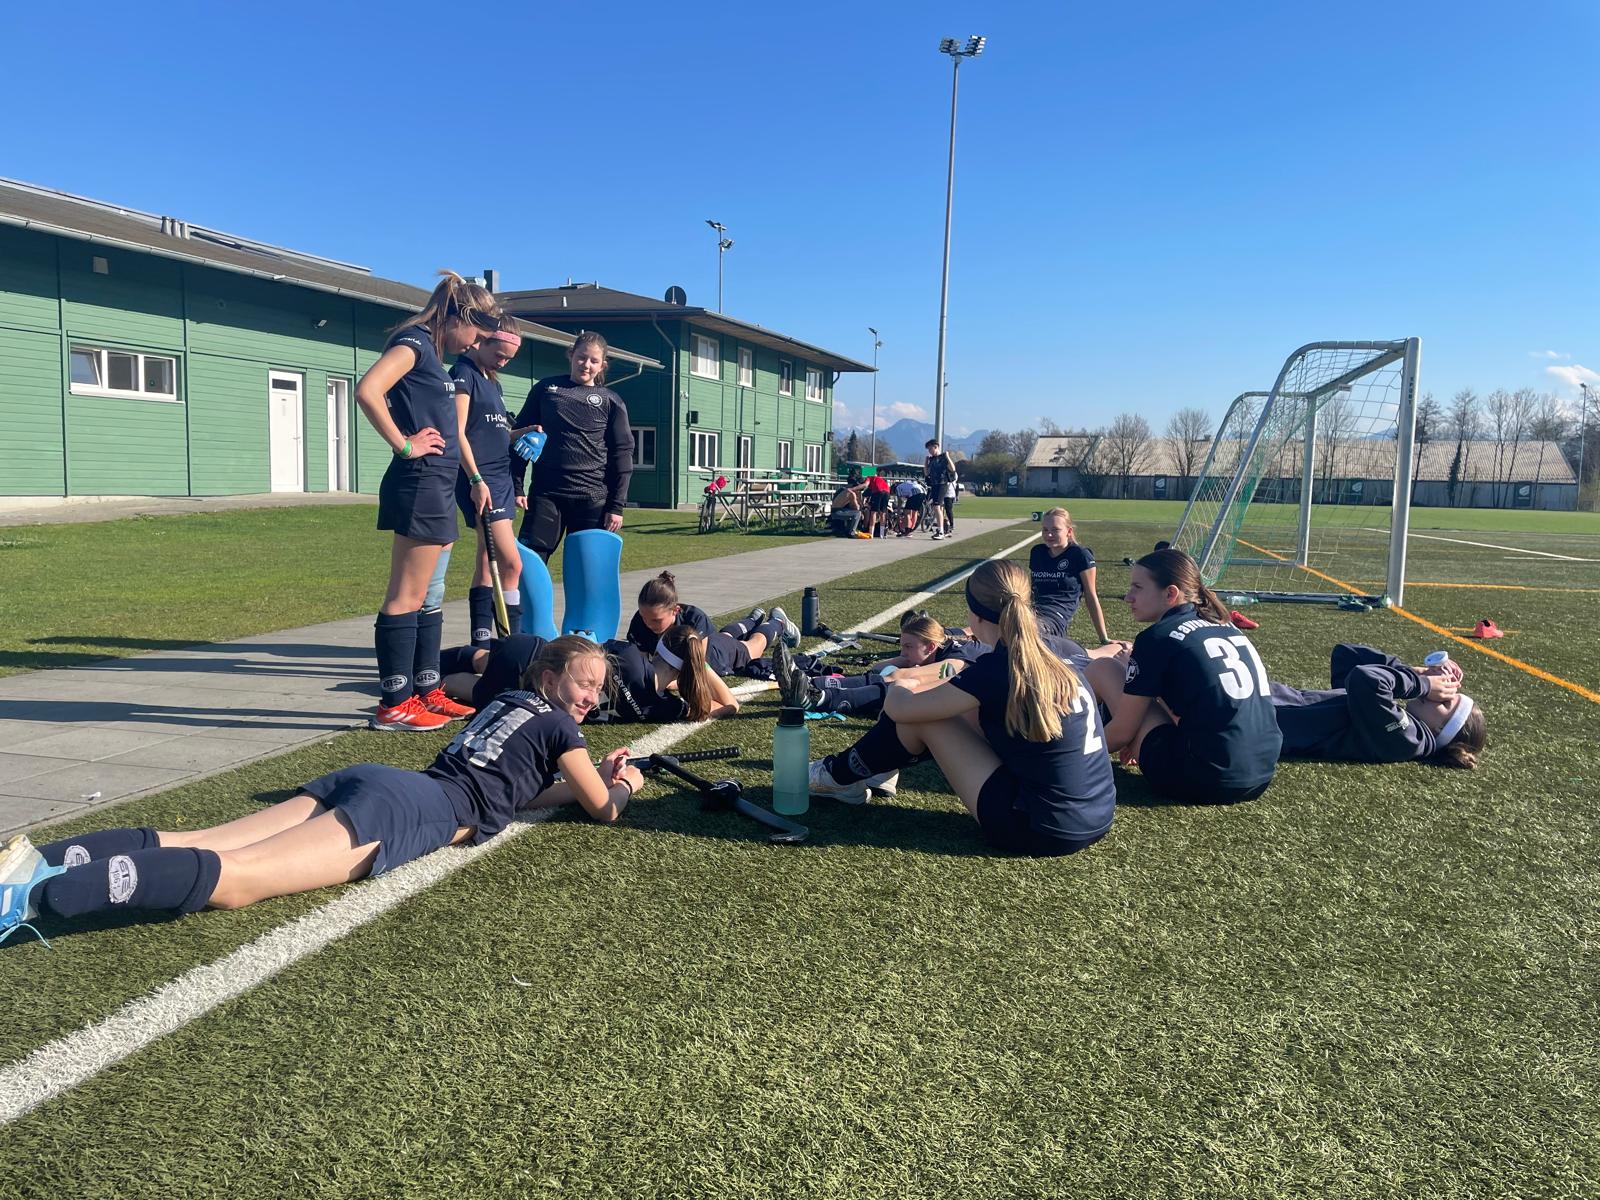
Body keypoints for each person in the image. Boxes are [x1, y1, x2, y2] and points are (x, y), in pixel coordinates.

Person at [0, 639, 644, 941]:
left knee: (204, 838)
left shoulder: (508, 702)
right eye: (585, 683)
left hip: (379, 779)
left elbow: (516, 794)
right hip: (415, 808)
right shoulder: (562, 726)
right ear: (552, 678)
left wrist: (583, 779)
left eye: (597, 688)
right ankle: (36, 900)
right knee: (241, 878)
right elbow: (604, 810)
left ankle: (38, 861)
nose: (592, 697)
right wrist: (625, 784)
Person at [807, 559, 1117, 857]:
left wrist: (903, 681)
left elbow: (902, 710)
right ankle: (874, 772)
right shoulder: (1058, 650)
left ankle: (836, 775)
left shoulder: (999, 667)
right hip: (1097, 815)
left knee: (924, 716)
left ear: (976, 615)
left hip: (1039, 829)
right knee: (955, 708)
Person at [356, 272, 503, 732]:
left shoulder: (434, 354)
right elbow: (367, 390)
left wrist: (471, 477)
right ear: (457, 317)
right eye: (476, 334)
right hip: (419, 485)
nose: (474, 345)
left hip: (439, 486)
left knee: (430, 597)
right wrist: (404, 445)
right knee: (407, 595)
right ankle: (394, 704)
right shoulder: (414, 343)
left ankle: (426, 689)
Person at [1087, 548, 1281, 804]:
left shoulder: (1156, 637)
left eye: (1138, 587)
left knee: (1103, 668)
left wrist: (1075, 758)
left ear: (1170, 593)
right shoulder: (1226, 626)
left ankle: (1060, 742)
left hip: (1202, 778)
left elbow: (1123, 731)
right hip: (1261, 774)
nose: (1128, 597)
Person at [514, 331, 633, 562]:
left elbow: (622, 455)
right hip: (547, 493)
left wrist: (616, 506)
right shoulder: (545, 390)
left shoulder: (611, 400)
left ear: (603, 365)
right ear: (571, 355)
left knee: (587, 568)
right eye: (581, 357)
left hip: (592, 498)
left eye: (594, 361)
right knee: (530, 562)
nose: (586, 365)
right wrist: (517, 486)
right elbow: (521, 437)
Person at [1271, 644, 1485, 767]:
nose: (1436, 695)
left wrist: (1423, 684)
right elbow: (1345, 655)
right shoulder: (1399, 724)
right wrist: (1415, 672)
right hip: (1270, 703)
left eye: (1445, 701)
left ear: (1442, 730)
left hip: (1265, 722)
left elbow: (1364, 679)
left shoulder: (1409, 740)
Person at [451, 323, 527, 650]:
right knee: (511, 564)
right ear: (481, 342)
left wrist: (521, 434)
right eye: (499, 355)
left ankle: (480, 644)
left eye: (509, 359)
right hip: (482, 479)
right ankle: (513, 644)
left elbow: (492, 432)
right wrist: (475, 479)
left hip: (502, 477)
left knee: (486, 561)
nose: (503, 362)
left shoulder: (491, 381)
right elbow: (456, 432)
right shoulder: (463, 374)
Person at [596, 607, 793, 723]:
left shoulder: (628, 656)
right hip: (707, 653)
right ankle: (765, 621)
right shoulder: (666, 706)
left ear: (658, 648)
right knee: (737, 642)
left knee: (733, 641)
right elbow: (731, 705)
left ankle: (767, 621)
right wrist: (699, 666)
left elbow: (581, 651)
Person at [1030, 508, 1112, 644]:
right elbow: (1032, 590)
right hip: (1032, 611)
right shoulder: (1037, 552)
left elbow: (1091, 597)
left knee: (1031, 632)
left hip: (1055, 616)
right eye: (1045, 530)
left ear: (1069, 531)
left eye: (1055, 530)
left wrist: (1104, 638)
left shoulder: (1080, 555)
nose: (1049, 534)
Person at [438, 633, 548, 712]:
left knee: (480, 664)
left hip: (537, 655)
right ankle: (431, 677)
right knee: (482, 662)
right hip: (534, 662)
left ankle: (432, 678)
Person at [626, 571, 714, 655]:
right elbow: (638, 660)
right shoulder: (639, 621)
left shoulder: (695, 620)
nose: (648, 624)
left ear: (675, 610)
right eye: (643, 617)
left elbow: (698, 663)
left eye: (656, 620)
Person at [923, 439, 957, 539]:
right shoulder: (931, 459)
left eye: (930, 449)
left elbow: (953, 469)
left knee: (937, 506)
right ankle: (942, 528)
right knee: (938, 507)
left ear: (936, 447)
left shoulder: (943, 457)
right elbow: (927, 473)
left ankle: (941, 531)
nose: (929, 451)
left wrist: (947, 457)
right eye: (928, 449)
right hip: (934, 484)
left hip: (942, 483)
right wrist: (926, 462)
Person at [863, 473, 891, 538]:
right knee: (883, 513)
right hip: (887, 492)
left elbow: (865, 485)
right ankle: (882, 534)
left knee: (873, 512)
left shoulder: (869, 477)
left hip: (878, 491)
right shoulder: (880, 479)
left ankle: (871, 533)